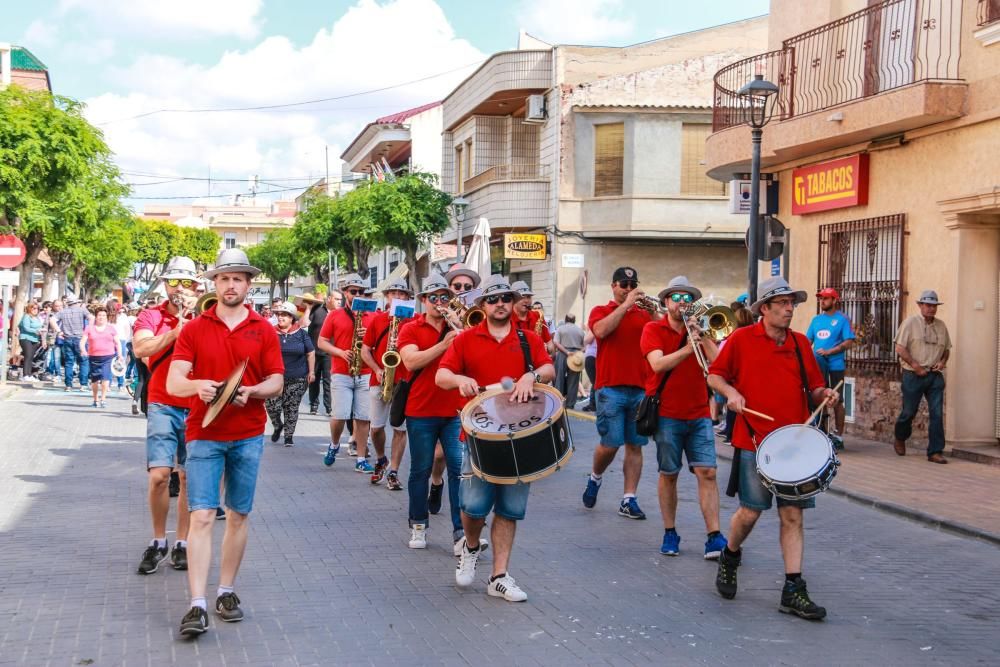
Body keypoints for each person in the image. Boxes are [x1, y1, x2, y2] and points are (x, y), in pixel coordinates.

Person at [166, 248, 284, 637]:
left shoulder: (263, 329)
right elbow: (173, 381)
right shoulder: (195, 328)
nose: (231, 285)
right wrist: (197, 385)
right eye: (224, 278)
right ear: (214, 283)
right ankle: (197, 604)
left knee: (238, 515)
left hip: (248, 434)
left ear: (249, 285)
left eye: (238, 278)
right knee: (201, 515)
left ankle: (226, 591)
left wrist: (250, 392)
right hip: (203, 434)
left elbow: (276, 381)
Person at [707, 276, 838, 621]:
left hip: (794, 444)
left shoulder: (799, 344)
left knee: (792, 515)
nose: (789, 308)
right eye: (781, 303)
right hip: (754, 440)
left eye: (791, 303)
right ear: (764, 308)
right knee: (751, 511)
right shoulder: (740, 339)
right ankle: (730, 554)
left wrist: (824, 395)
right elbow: (715, 376)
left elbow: (814, 388)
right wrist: (731, 394)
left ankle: (793, 588)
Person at [436, 274, 555, 603]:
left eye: (505, 297)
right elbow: (441, 375)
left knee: (510, 508)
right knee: (473, 506)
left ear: (512, 302)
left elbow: (549, 370)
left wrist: (531, 375)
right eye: (493, 299)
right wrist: (459, 378)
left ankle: (499, 576)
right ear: (482, 305)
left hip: (520, 434)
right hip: (477, 434)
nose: (500, 303)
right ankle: (471, 547)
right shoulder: (465, 339)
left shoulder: (529, 338)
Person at [640, 277, 727, 559]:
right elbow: (657, 364)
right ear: (666, 303)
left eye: (687, 299)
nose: (682, 303)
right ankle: (670, 530)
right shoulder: (653, 328)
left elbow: (718, 363)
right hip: (667, 414)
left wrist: (700, 336)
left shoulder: (699, 331)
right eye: (676, 298)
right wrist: (689, 348)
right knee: (670, 474)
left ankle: (714, 535)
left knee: (708, 472)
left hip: (699, 412)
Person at [132, 257, 199, 576]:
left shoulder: (207, 315)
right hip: (162, 401)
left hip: (196, 403)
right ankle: (159, 540)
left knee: (187, 476)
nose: (180, 289)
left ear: (197, 287)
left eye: (187, 283)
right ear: (164, 284)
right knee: (159, 475)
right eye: (174, 282)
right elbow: (140, 349)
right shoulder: (150, 315)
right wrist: (176, 333)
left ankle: (182, 543)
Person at [396, 273, 466, 549]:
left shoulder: (457, 328)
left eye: (445, 297)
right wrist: (444, 344)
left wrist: (461, 331)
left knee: (458, 471)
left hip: (454, 411)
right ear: (423, 300)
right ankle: (418, 525)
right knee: (420, 470)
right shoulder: (410, 329)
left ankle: (461, 532)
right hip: (421, 410)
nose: (440, 302)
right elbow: (411, 362)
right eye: (434, 297)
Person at [582, 267, 656, 519]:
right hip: (610, 387)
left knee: (635, 445)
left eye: (632, 284)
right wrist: (626, 306)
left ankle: (629, 498)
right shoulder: (601, 311)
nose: (628, 288)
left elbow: (660, 335)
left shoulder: (645, 314)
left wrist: (654, 311)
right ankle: (595, 477)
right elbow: (600, 332)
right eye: (623, 284)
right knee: (611, 443)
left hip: (639, 388)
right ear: (613, 286)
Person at [425, 264, 484, 512]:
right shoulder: (439, 314)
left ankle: (464, 515)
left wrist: (464, 326)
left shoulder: (477, 316)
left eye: (467, 288)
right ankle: (436, 482)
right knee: (438, 456)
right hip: (437, 389)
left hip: (465, 393)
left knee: (458, 458)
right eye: (456, 287)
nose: (461, 291)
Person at [318, 274, 375, 472]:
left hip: (365, 372)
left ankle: (360, 458)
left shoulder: (372, 316)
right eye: (353, 291)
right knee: (340, 415)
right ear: (345, 293)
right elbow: (322, 342)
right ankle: (334, 444)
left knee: (363, 417)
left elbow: (377, 345)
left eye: (361, 292)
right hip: (341, 372)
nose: (357, 294)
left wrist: (368, 336)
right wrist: (340, 352)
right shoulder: (334, 315)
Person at [361, 279, 414, 487]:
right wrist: (377, 369)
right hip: (380, 378)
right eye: (393, 293)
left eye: (402, 294)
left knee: (400, 429)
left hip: (404, 381)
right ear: (387, 297)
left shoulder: (415, 320)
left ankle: (393, 471)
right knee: (375, 428)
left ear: (408, 298)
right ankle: (381, 458)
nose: (397, 297)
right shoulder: (378, 320)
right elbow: (365, 350)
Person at [893, 290, 951, 463]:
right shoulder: (910, 323)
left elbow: (946, 350)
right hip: (913, 374)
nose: (931, 309)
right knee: (909, 412)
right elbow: (900, 348)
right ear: (920, 306)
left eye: (934, 306)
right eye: (927, 305)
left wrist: (942, 362)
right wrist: (915, 366)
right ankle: (900, 437)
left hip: (934, 375)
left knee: (937, 413)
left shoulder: (941, 326)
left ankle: (935, 451)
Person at [806, 288, 855, 449]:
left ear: (834, 300)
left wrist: (830, 351)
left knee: (837, 400)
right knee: (818, 396)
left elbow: (848, 341)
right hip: (817, 365)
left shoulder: (842, 320)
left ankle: (839, 435)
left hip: (835, 365)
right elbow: (808, 342)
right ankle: (821, 431)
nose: (822, 301)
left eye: (826, 298)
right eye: (821, 298)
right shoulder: (816, 320)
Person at [265, 302, 315, 447]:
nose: (280, 317)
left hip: (298, 377)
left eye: (284, 315)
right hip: (274, 377)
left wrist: (311, 372)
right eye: (279, 315)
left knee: (291, 406)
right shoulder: (271, 332)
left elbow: (310, 352)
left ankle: (288, 436)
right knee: (272, 406)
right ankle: (277, 425)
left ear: (292, 318)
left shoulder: (301, 333)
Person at [81, 306, 123, 408]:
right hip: (93, 357)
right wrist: (83, 350)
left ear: (107, 317)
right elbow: (82, 341)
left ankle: (103, 399)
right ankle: (95, 399)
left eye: (104, 315)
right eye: (99, 315)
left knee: (105, 378)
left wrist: (120, 355)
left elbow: (117, 342)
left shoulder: (111, 328)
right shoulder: (89, 328)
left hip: (108, 357)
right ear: (96, 316)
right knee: (94, 380)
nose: (101, 317)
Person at [299, 292, 332, 416]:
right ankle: (314, 405)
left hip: (329, 352)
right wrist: (308, 308)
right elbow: (303, 324)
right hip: (314, 351)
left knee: (328, 381)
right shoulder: (317, 310)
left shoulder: (337, 313)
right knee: (313, 379)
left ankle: (329, 407)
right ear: (329, 299)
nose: (339, 302)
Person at [552, 313, 585, 408]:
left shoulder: (560, 329)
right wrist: (577, 352)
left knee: (559, 378)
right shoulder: (580, 331)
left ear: (566, 320)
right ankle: (570, 404)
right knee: (574, 381)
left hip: (563, 353)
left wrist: (566, 352)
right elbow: (585, 346)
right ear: (574, 321)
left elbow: (556, 342)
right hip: (576, 356)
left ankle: (558, 402)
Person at [59, 296, 92, 391]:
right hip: (80, 338)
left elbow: (53, 320)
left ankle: (68, 385)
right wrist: (88, 330)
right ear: (76, 302)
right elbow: (91, 318)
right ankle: (83, 384)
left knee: (69, 362)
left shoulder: (63, 311)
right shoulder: (82, 310)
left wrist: (59, 331)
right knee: (83, 361)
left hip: (67, 338)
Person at [510, 282, 553, 352]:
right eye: (522, 297)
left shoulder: (538, 316)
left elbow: (550, 344)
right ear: (513, 299)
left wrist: (547, 348)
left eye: (528, 297)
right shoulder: (506, 319)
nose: (526, 300)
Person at [17, 301, 44, 381]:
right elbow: (26, 327)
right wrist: (36, 331)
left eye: (37, 308)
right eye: (34, 308)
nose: (36, 310)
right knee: (27, 356)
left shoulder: (37, 318)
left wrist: (41, 332)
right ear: (29, 308)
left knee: (31, 357)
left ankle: (29, 374)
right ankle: (25, 375)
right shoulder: (26, 316)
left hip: (35, 339)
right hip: (25, 338)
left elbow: (39, 326)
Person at [110, 302, 133, 393]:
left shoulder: (119, 317)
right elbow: (127, 330)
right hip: (120, 339)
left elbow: (127, 329)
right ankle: (119, 384)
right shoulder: (121, 317)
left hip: (117, 339)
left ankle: (115, 383)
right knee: (119, 361)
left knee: (115, 361)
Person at [46, 299, 64, 381]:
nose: (59, 308)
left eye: (60, 306)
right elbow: (46, 326)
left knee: (67, 358)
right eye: (57, 306)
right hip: (54, 339)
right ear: (53, 306)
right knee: (56, 357)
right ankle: (58, 374)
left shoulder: (65, 314)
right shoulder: (50, 315)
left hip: (66, 338)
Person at [583, 329, 597, 411]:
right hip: (593, 357)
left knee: (595, 382)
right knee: (595, 381)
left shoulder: (595, 328)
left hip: (592, 356)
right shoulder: (595, 329)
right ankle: (593, 404)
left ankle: (593, 404)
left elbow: (586, 340)